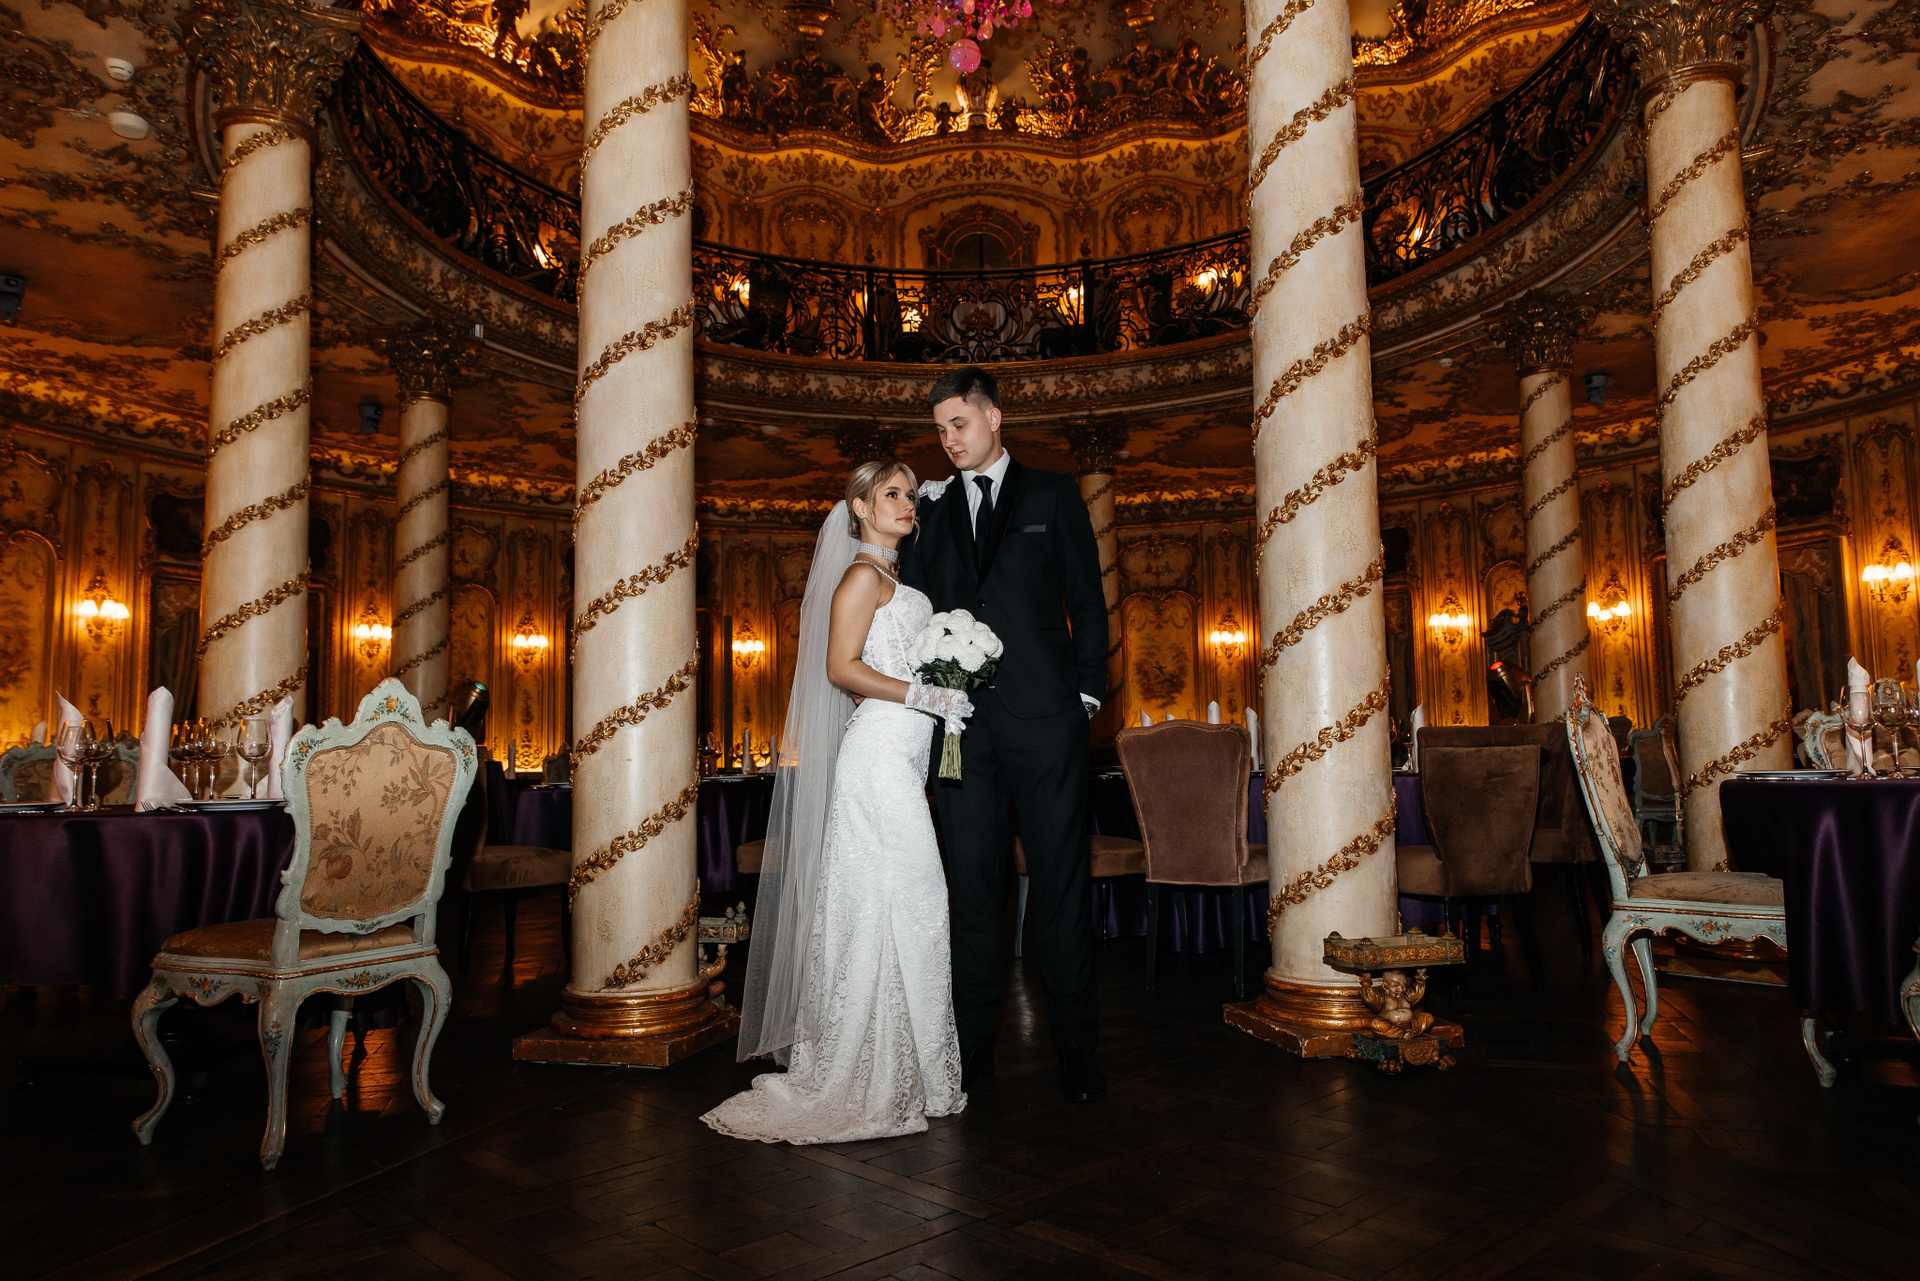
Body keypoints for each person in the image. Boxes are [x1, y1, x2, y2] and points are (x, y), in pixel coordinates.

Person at [703, 462, 974, 1144]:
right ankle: (864, 1071)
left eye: (910, 494)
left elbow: (871, 673)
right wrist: (924, 694)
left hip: (901, 754)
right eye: (891, 494)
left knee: (900, 904)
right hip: (877, 761)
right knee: (907, 901)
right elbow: (839, 667)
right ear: (859, 508)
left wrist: (943, 686)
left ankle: (910, 1069)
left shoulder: (893, 580)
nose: (907, 504)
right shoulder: (860, 576)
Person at [901, 365, 1110, 1102]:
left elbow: (1087, 596)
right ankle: (971, 1052)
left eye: (958, 424)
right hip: (962, 729)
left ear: (994, 417)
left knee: (1060, 888)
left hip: (1048, 722)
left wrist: (1086, 693)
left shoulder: (1053, 494)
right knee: (973, 890)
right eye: (940, 431)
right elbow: (915, 606)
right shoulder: (931, 510)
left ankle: (1077, 1052)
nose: (949, 441)